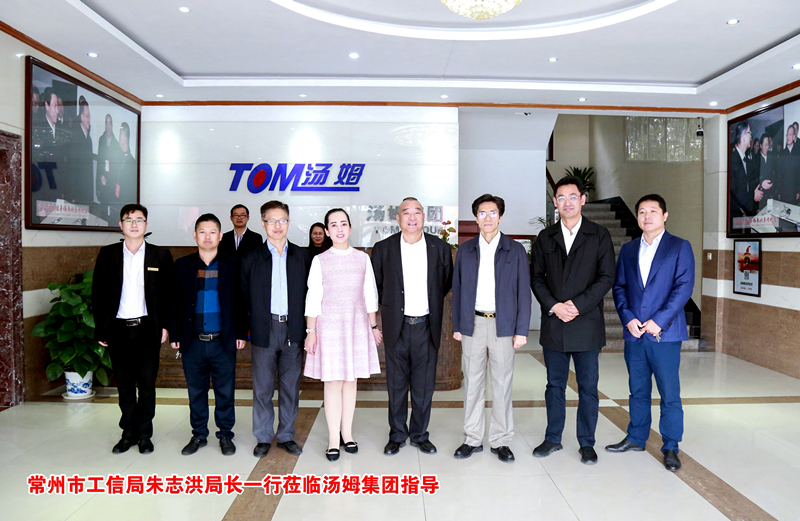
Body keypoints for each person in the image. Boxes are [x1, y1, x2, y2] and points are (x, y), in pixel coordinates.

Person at [530, 175, 615, 465]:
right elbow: (536, 278)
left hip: (586, 323)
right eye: (561, 197)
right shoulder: (545, 237)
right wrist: (555, 305)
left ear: (583, 200)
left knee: (588, 387)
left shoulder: (599, 234)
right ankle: (553, 438)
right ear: (555, 202)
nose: (567, 202)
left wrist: (577, 306)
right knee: (554, 385)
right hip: (555, 323)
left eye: (573, 196)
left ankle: (587, 442)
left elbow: (606, 277)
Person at [606, 194, 694, 472]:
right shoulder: (629, 249)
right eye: (642, 211)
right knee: (638, 390)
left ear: (664, 215)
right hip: (635, 334)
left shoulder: (679, 246)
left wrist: (659, 321)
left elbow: (683, 287)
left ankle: (671, 446)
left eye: (653, 211)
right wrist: (628, 318)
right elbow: (620, 287)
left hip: (663, 335)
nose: (647, 216)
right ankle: (636, 438)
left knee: (669, 393)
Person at [451, 194, 531, 462]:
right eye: (482, 213)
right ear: (476, 218)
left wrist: (521, 330)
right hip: (472, 323)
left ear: (500, 216)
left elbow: (523, 292)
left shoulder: (514, 250)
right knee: (473, 384)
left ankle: (501, 440)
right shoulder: (466, 250)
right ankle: (472, 438)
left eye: (492, 212)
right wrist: (458, 325)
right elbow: (458, 289)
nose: (487, 218)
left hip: (503, 325)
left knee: (502, 384)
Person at [371, 197, 454, 456]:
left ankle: (419, 434)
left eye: (417, 212)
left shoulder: (439, 248)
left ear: (423, 217)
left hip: (427, 326)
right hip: (397, 326)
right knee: (396, 386)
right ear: (398, 218)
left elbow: (445, 283)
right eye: (406, 212)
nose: (412, 217)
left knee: (424, 386)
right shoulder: (384, 248)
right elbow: (376, 285)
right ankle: (397, 434)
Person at [92, 204, 175, 454]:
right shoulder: (108, 254)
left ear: (146, 225)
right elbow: (98, 293)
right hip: (118, 329)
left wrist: (166, 325)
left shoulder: (160, 255)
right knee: (125, 385)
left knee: (147, 384)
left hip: (148, 328)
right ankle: (128, 431)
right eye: (129, 220)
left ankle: (145, 433)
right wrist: (102, 329)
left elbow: (169, 294)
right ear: (121, 225)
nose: (134, 224)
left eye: (139, 220)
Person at [304, 208, 382, 461]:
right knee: (333, 382)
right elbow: (313, 298)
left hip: (356, 326)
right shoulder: (320, 260)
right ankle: (333, 440)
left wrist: (373, 327)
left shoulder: (362, 259)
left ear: (350, 227)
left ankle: (347, 434)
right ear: (327, 231)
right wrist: (311, 332)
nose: (339, 229)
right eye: (334, 225)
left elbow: (370, 294)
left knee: (351, 382)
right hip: (328, 327)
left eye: (343, 224)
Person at [170, 213, 248, 456]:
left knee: (225, 391)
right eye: (202, 232)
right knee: (196, 391)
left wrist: (241, 332)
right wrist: (175, 334)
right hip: (192, 341)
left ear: (221, 236)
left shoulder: (233, 265)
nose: (207, 237)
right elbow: (175, 302)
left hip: (223, 340)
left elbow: (241, 302)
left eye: (212, 232)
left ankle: (225, 435)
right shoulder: (183, 265)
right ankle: (199, 435)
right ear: (195, 235)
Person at [242, 200, 311, 458]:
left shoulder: (303, 257)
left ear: (289, 223)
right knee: (262, 386)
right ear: (263, 224)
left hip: (294, 328)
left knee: (290, 386)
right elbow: (243, 296)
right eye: (271, 221)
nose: (277, 225)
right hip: (264, 328)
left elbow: (311, 295)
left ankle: (286, 436)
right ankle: (263, 436)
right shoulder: (251, 257)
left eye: (282, 220)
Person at [68, 96, 95, 205]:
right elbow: (72, 168)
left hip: (86, 193)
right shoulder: (75, 136)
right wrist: (72, 195)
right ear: (82, 117)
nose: (89, 119)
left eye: (89, 116)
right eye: (87, 116)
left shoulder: (88, 138)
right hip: (78, 193)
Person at [730, 121, 758, 216]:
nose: (751, 136)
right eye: (749, 133)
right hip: (735, 215)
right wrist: (753, 196)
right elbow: (734, 194)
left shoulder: (745, 160)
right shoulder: (732, 160)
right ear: (743, 137)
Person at [97, 114, 120, 203]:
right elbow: (99, 164)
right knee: (103, 206)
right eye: (106, 123)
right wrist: (98, 187)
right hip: (102, 181)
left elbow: (116, 169)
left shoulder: (116, 143)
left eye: (110, 123)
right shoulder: (101, 140)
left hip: (112, 184)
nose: (108, 126)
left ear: (112, 126)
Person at [755, 134, 776, 209]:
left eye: (768, 145)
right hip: (760, 197)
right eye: (765, 145)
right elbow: (753, 179)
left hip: (770, 195)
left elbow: (774, 174)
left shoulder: (771, 158)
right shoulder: (756, 159)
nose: (767, 147)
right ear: (761, 146)